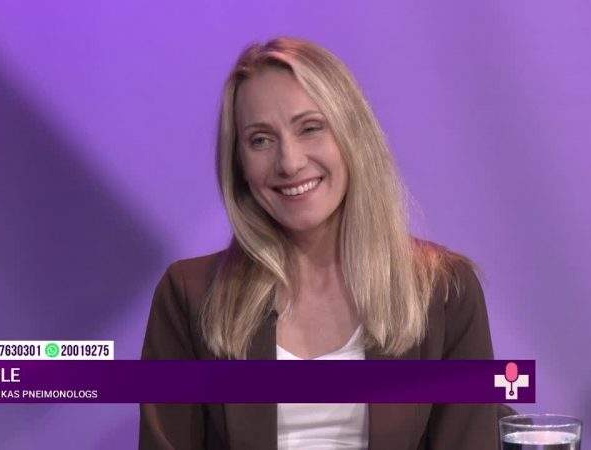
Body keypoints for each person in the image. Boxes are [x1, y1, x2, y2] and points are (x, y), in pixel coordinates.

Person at [139, 37, 498, 450]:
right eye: (260, 140)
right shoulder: (190, 294)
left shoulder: (445, 290)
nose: (290, 162)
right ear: (238, 164)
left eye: (310, 128)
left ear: (352, 135)